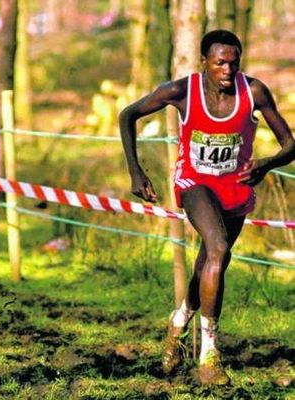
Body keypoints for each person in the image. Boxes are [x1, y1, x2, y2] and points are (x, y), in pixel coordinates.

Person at [119, 30, 294, 385]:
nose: (228, 70)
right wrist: (136, 172)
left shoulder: (254, 91)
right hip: (194, 183)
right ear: (204, 63)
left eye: (234, 62)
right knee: (217, 247)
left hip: (236, 188)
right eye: (220, 63)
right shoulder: (181, 91)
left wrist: (268, 163)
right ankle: (209, 357)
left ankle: (179, 321)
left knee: (211, 262)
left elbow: (291, 144)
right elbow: (128, 115)